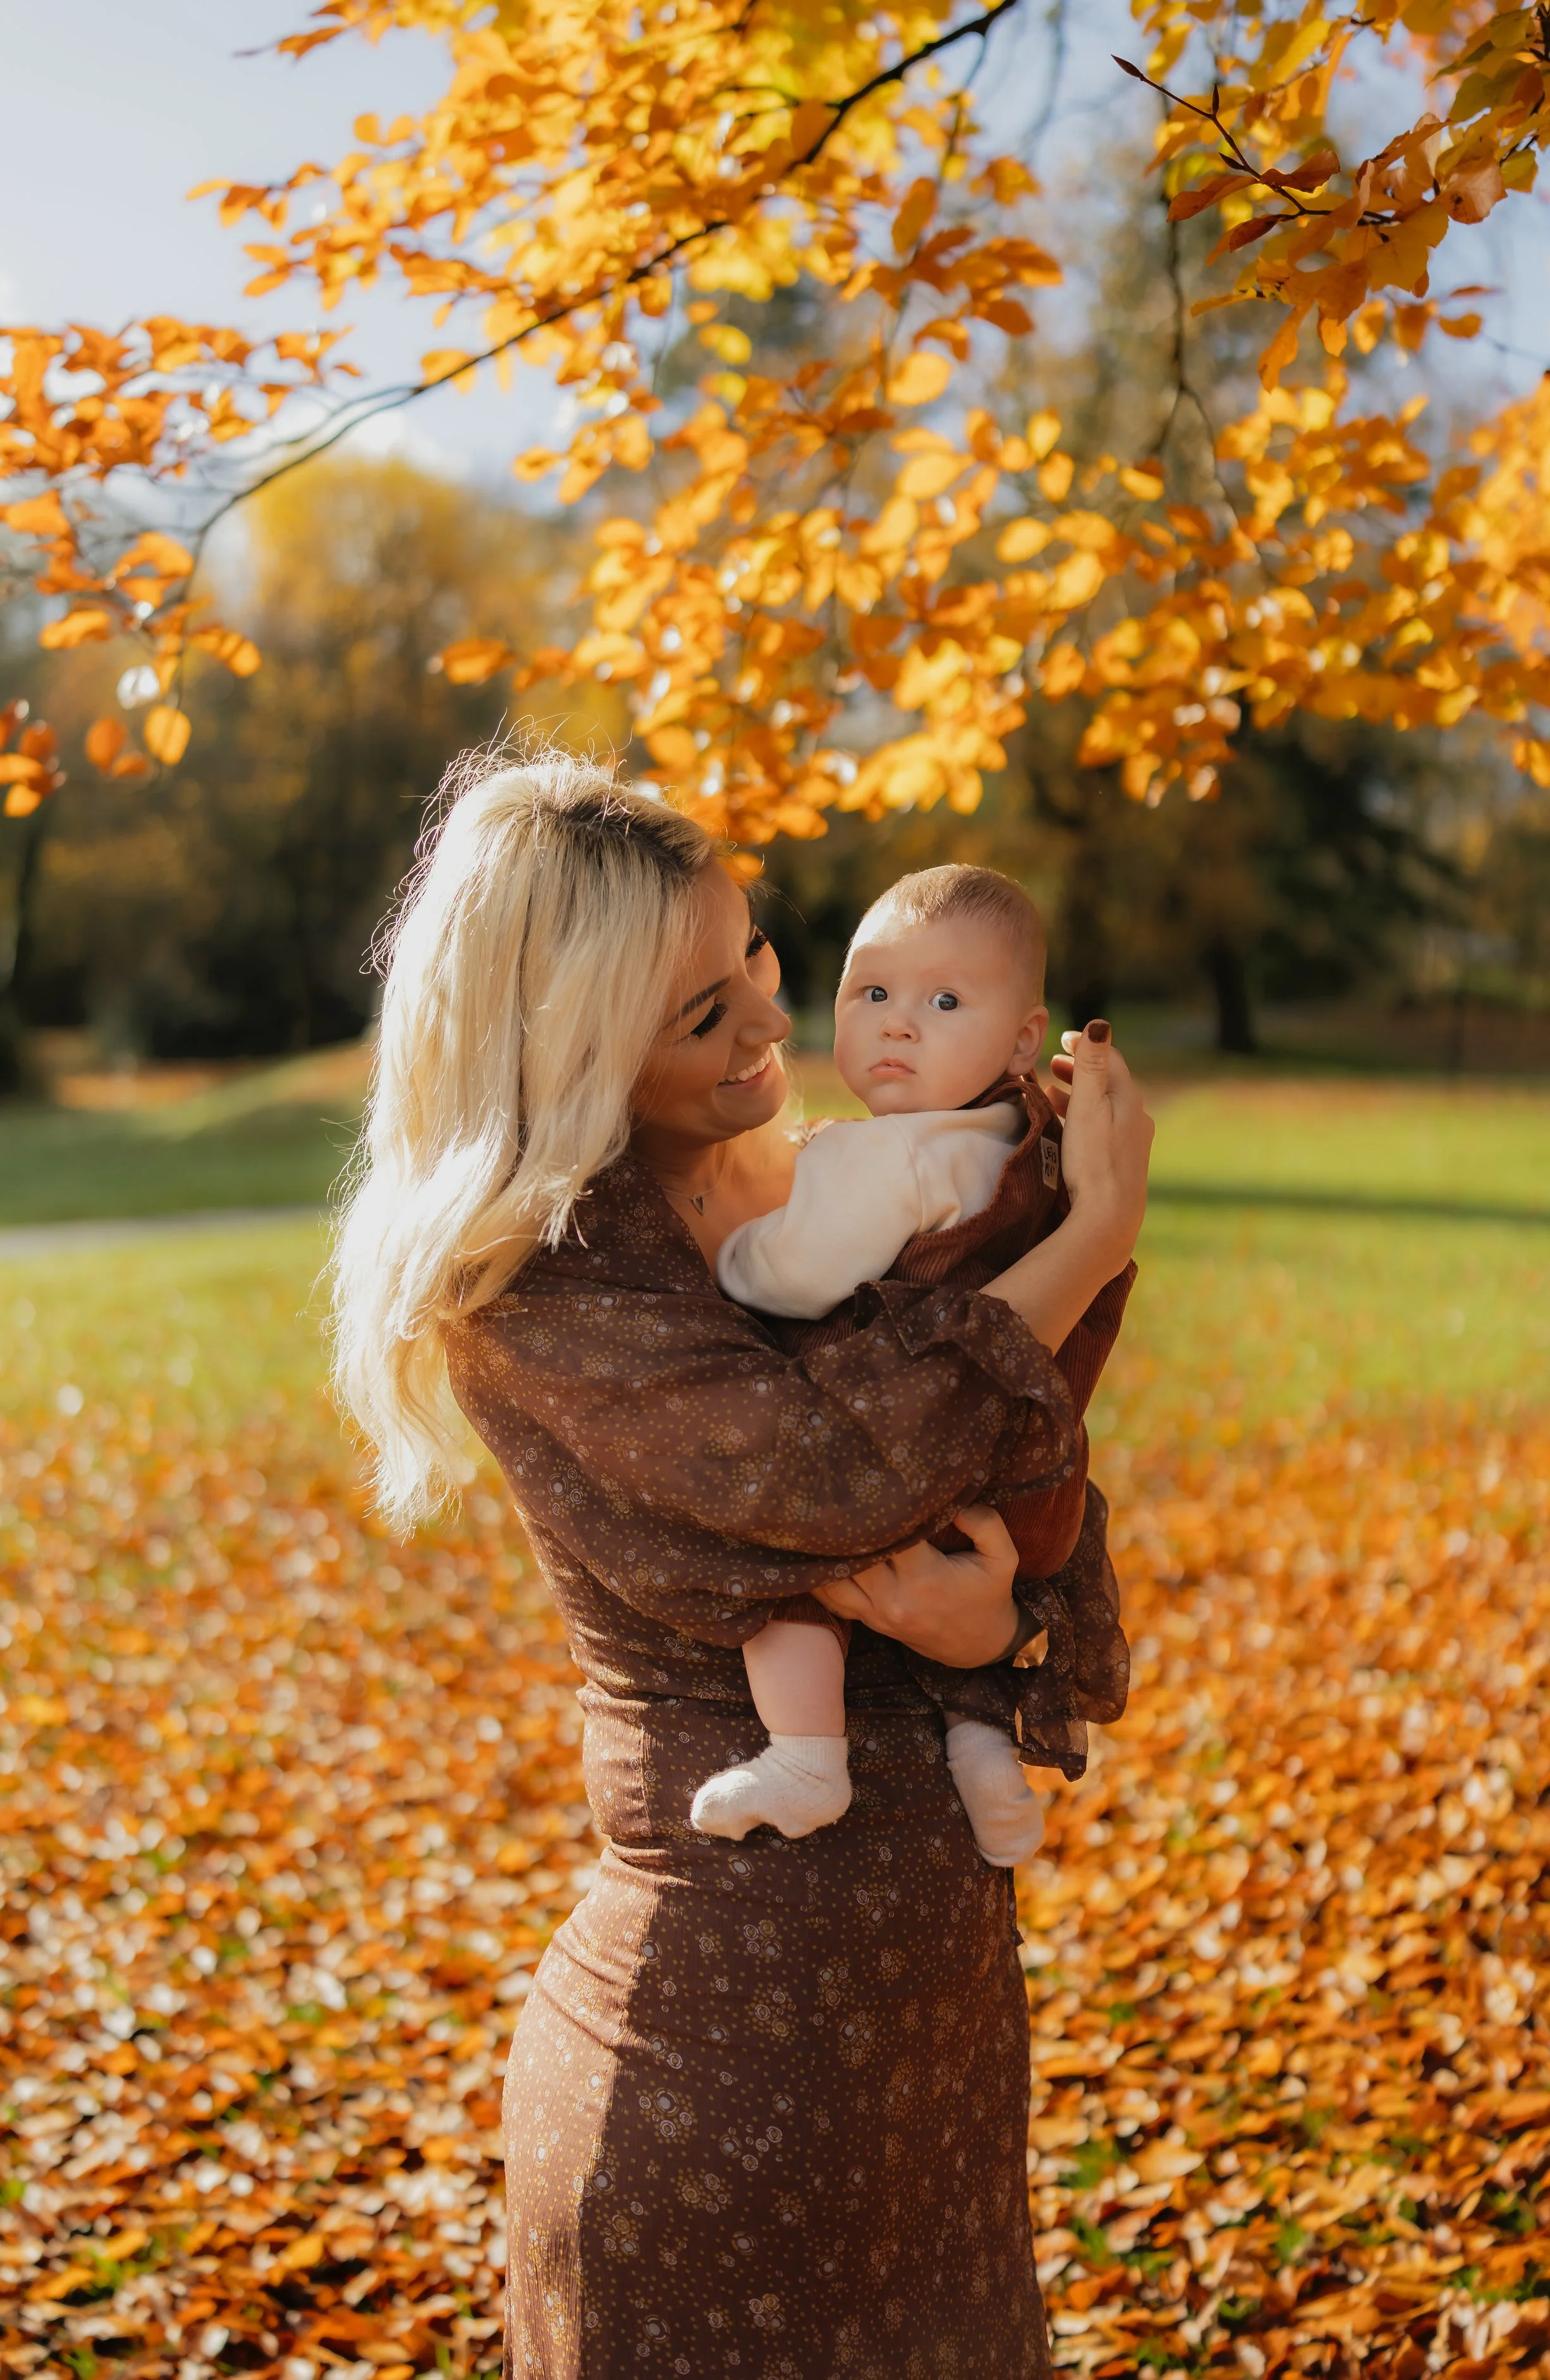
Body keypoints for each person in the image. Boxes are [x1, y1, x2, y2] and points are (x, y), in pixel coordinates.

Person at [331, 751, 1153, 2380]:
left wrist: (1000, 1616)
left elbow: (1007, 1457)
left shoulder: (812, 1185)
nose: (776, 1026)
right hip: (719, 2082)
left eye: (759, 961)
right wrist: (1087, 1247)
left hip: (929, 2055)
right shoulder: (548, 1294)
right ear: (571, 1051)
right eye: (705, 1013)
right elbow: (843, 1473)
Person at [698, 863, 1131, 1862]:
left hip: (914, 1447)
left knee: (793, 1557)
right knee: (953, 1617)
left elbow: (797, 1274)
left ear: (1025, 1038)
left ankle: (807, 1751)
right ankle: (984, 1752)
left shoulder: (884, 1156)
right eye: (874, 992)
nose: (899, 1023)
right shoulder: (1022, 1140)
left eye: (943, 1001)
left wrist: (730, 1256)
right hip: (1029, 1476)